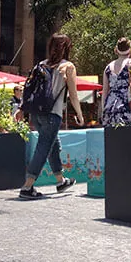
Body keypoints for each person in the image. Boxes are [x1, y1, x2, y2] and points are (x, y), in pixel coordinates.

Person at [19, 33, 84, 200]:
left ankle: (60, 181)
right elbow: (73, 95)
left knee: (52, 145)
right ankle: (27, 186)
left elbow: (29, 88)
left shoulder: (41, 64)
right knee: (43, 147)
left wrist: (21, 108)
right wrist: (79, 114)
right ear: (67, 49)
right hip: (52, 114)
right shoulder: (67, 67)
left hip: (36, 114)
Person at [101, 37, 131, 126]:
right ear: (130, 49)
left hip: (110, 107)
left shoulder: (108, 68)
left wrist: (103, 111)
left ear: (117, 50)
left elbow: (105, 92)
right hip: (128, 106)